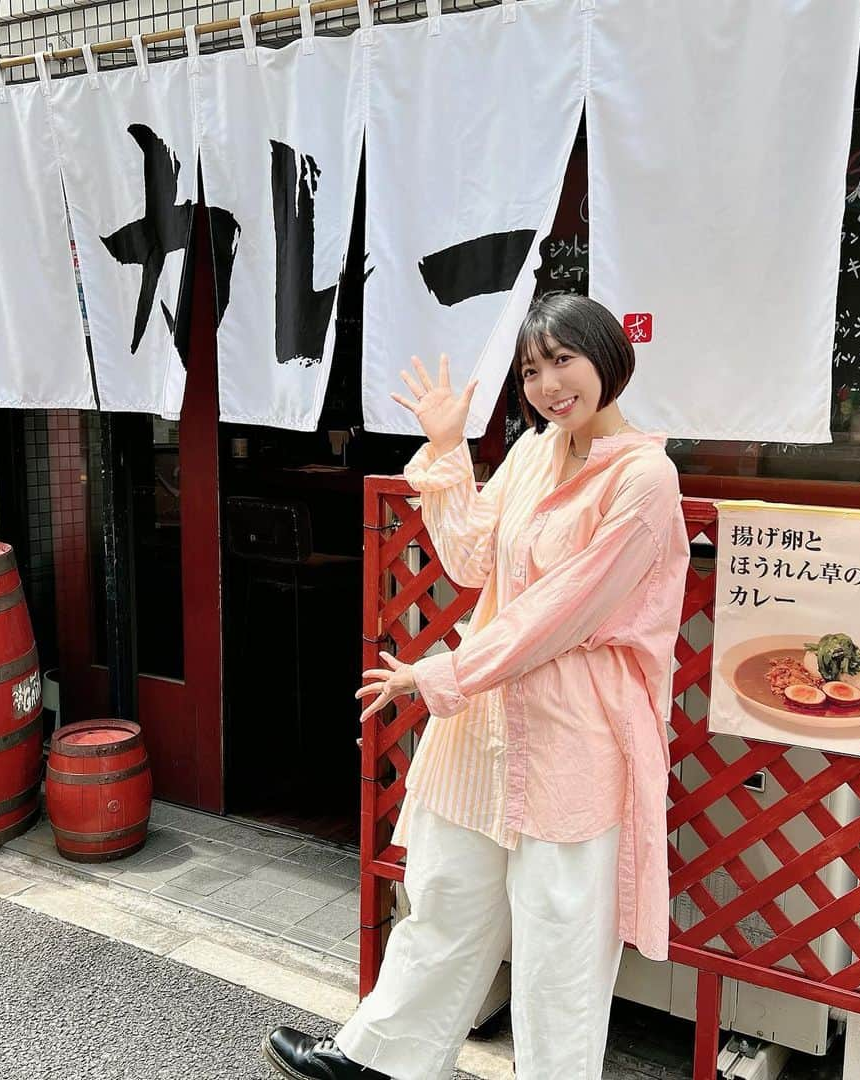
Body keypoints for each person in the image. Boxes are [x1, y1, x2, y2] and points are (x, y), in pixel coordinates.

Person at [263, 292, 691, 1080]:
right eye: (531, 371)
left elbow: (559, 618)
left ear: (608, 356)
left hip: (574, 732)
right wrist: (449, 446)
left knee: (560, 946)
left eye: (564, 360)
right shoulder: (534, 451)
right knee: (446, 900)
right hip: (489, 721)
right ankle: (380, 1060)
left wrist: (441, 673)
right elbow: (469, 562)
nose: (548, 384)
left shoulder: (645, 480)